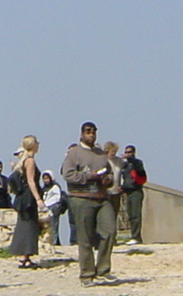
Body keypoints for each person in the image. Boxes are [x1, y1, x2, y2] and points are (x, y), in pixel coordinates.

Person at [62, 120, 118, 285]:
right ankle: (87, 274)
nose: (91, 134)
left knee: (110, 231)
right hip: (81, 198)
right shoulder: (74, 154)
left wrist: (108, 179)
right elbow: (68, 175)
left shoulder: (101, 154)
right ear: (81, 134)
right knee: (85, 238)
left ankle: (103, 269)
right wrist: (88, 176)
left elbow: (110, 173)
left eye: (93, 131)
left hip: (102, 198)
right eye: (88, 131)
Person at [6, 136, 45, 268]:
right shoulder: (30, 161)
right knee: (29, 225)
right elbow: (31, 180)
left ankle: (25, 256)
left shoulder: (24, 160)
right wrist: (38, 199)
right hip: (29, 197)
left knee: (26, 224)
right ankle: (25, 256)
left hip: (24, 197)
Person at [120, 144, 147, 244]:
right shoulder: (125, 166)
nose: (127, 154)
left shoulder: (137, 163)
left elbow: (139, 168)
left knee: (136, 215)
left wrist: (130, 158)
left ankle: (136, 237)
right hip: (127, 192)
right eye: (126, 152)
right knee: (130, 215)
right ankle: (133, 236)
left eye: (129, 152)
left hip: (136, 191)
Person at [41, 171, 66, 246]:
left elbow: (56, 198)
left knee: (54, 226)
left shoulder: (55, 187)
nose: (46, 180)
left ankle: (54, 242)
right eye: (44, 179)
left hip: (54, 208)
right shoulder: (44, 188)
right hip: (46, 209)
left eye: (47, 178)